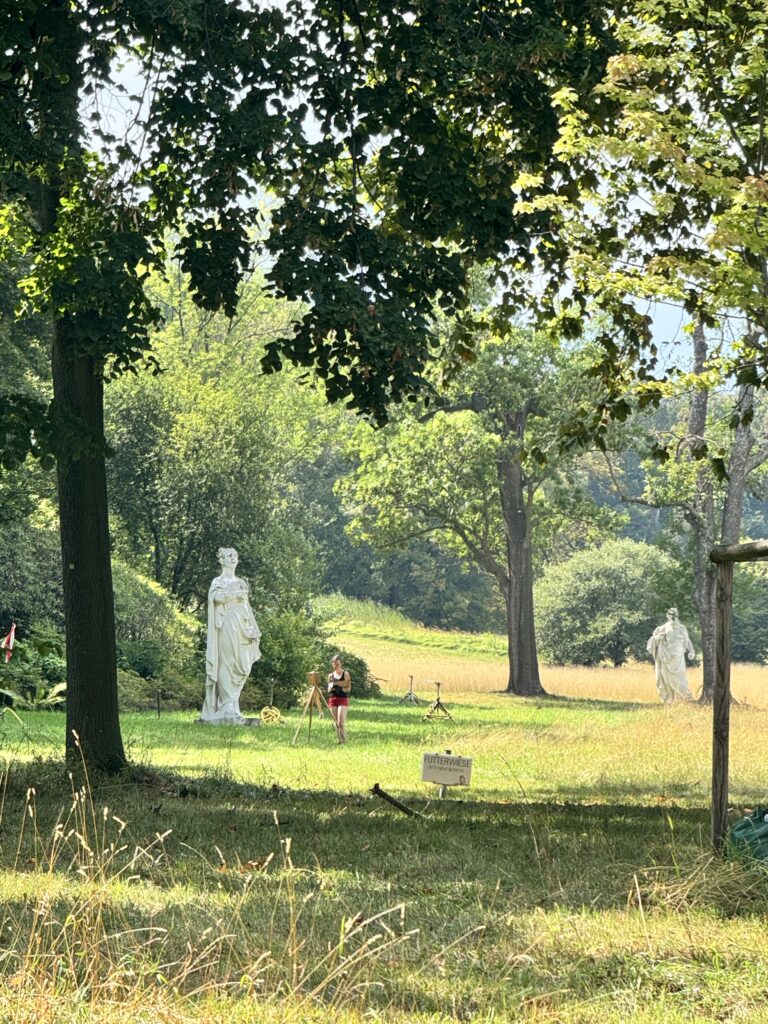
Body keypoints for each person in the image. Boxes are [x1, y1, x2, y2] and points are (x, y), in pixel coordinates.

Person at [200, 547, 261, 723]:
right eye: (229, 556)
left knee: (243, 664)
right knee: (228, 661)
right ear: (222, 560)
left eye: (235, 556)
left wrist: (253, 627)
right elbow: (217, 598)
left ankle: (233, 702)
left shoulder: (241, 582)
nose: (233, 558)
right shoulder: (218, 581)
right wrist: (233, 594)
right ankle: (226, 705)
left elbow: (246, 607)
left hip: (242, 624)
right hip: (226, 623)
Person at [646, 607, 695, 703]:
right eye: (670, 615)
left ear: (677, 616)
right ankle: (670, 699)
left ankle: (684, 699)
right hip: (665, 656)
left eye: (674, 615)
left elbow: (687, 641)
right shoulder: (663, 628)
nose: (672, 617)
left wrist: (691, 651)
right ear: (667, 616)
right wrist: (658, 638)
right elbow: (653, 640)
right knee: (666, 678)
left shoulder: (682, 628)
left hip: (678, 657)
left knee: (679, 678)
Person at [327, 654, 351, 743]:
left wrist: (339, 687)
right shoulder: (330, 676)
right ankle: (339, 740)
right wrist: (331, 687)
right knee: (336, 722)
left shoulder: (345, 674)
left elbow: (348, 689)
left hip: (342, 699)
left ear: (341, 664)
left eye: (337, 664)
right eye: (334, 664)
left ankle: (344, 740)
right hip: (333, 699)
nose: (335, 666)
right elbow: (328, 690)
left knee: (341, 722)